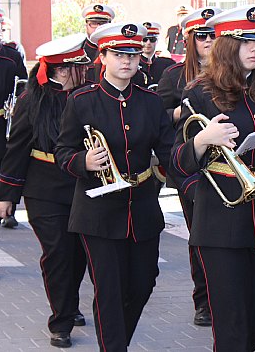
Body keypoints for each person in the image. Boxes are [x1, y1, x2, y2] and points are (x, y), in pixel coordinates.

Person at [171, 4, 255, 351]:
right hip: (221, 223)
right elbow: (176, 162)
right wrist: (202, 140)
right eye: (243, 41)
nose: (254, 48)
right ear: (226, 46)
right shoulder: (200, 94)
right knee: (232, 324)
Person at [55, 22, 174, 352]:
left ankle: (116, 341)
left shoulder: (150, 102)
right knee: (109, 290)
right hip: (97, 211)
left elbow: (169, 150)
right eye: (119, 54)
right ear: (103, 57)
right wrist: (83, 162)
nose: (127, 61)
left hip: (143, 207)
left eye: (133, 54)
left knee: (142, 284)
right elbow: (62, 150)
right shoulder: (81, 100)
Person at [0, 33, 90, 348]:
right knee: (59, 253)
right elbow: (17, 146)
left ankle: (70, 301)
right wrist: (6, 195)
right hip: (44, 189)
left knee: (79, 255)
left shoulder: (90, 96)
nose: (85, 70)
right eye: (79, 66)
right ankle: (60, 321)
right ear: (62, 69)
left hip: (83, 186)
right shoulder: (33, 100)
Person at [157, 6, 222, 327]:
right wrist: (184, 112)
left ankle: (224, 294)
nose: (209, 41)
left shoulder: (232, 73)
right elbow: (159, 119)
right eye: (202, 36)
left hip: (225, 164)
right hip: (190, 167)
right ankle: (203, 300)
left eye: (214, 35)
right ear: (191, 40)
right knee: (199, 233)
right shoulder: (173, 76)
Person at [0, 12, 27, 230]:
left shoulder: (11, 55)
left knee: (3, 166)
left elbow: (23, 85)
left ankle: (5, 210)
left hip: (2, 121)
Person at [81, 4, 115, 80]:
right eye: (93, 23)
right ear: (86, 26)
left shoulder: (116, 48)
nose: (98, 27)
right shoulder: (79, 49)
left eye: (103, 23)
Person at [139, 22, 175, 88]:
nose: (148, 43)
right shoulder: (133, 64)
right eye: (144, 40)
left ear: (157, 41)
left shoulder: (167, 64)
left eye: (152, 40)